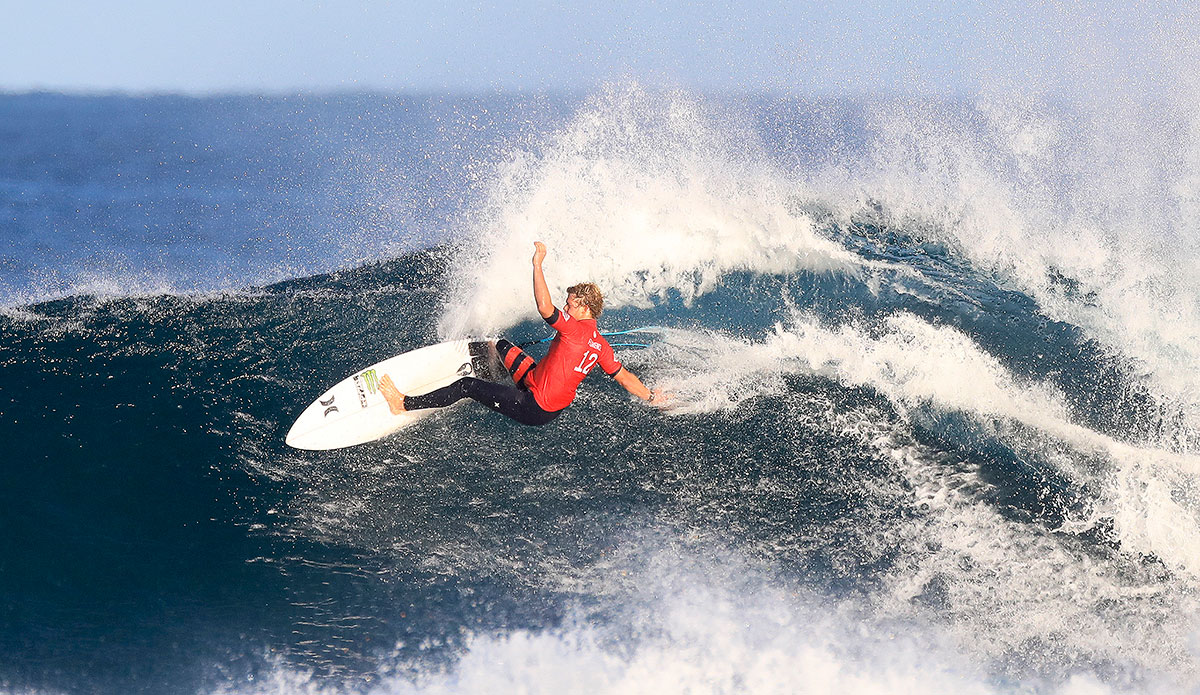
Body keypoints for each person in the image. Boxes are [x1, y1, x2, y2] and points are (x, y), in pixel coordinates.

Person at [377, 241, 663, 426]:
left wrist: (537, 264)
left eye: (570, 303)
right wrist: (651, 397)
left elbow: (545, 307)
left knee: (466, 386)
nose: (566, 306)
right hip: (541, 390)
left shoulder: (574, 328)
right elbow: (625, 378)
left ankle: (403, 404)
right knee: (501, 345)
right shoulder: (600, 345)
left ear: (584, 307)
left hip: (534, 407)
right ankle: (493, 370)